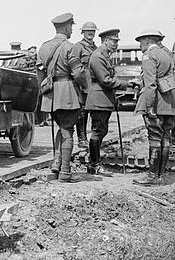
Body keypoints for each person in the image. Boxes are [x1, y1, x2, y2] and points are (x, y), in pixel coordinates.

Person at [37, 12, 86, 183]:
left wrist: (44, 90)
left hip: (50, 96)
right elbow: (78, 73)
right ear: (66, 27)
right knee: (68, 131)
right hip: (66, 94)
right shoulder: (69, 47)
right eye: (71, 26)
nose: (72, 29)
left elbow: (39, 73)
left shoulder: (43, 47)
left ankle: (56, 164)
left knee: (62, 128)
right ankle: (65, 171)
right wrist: (85, 87)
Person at [85, 28, 134, 177]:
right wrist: (126, 84)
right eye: (114, 41)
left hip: (104, 99)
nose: (116, 45)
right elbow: (105, 80)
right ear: (105, 41)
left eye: (117, 42)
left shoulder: (104, 55)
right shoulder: (98, 56)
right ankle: (94, 165)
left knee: (102, 131)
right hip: (98, 99)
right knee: (97, 131)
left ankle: (94, 163)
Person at [132, 29, 175, 186]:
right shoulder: (167, 54)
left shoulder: (149, 56)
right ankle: (160, 175)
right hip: (169, 102)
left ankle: (152, 176)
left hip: (156, 102)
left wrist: (149, 106)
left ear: (148, 40)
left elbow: (150, 84)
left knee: (154, 138)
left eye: (141, 41)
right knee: (166, 137)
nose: (140, 45)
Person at [70, 21, 98, 148]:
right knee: (82, 112)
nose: (90, 33)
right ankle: (82, 138)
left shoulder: (96, 48)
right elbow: (74, 66)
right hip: (82, 84)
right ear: (82, 32)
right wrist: (81, 83)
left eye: (92, 31)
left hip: (94, 84)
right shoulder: (78, 47)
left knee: (93, 110)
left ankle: (93, 138)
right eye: (87, 31)